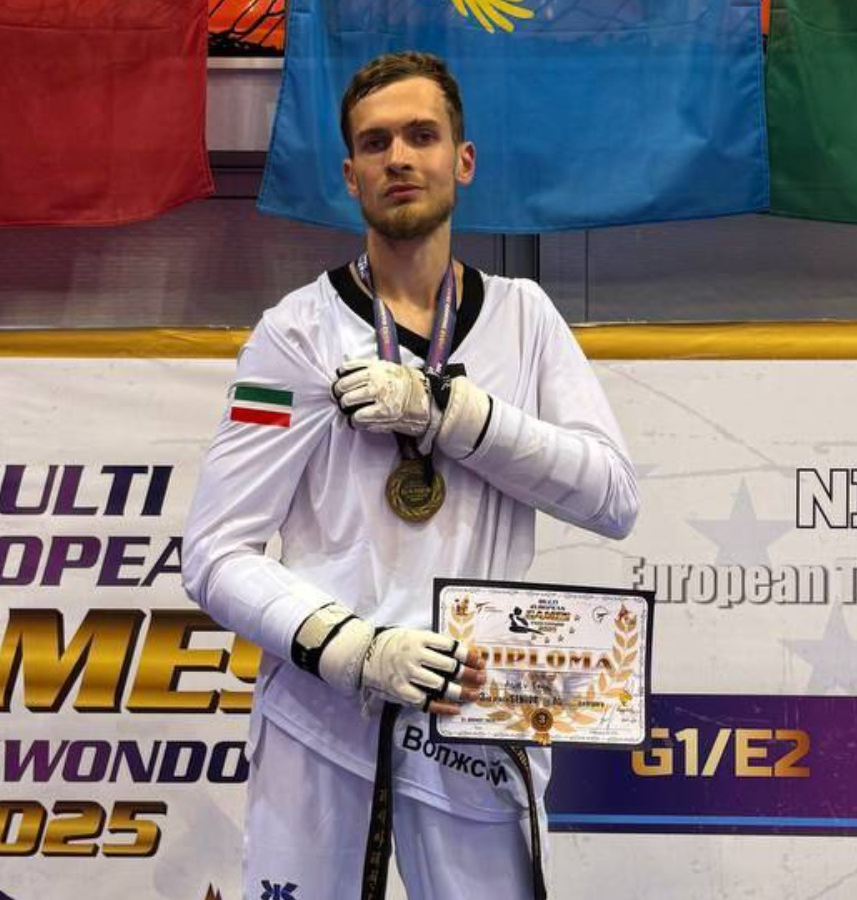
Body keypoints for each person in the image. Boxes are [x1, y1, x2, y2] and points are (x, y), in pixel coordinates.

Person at [182, 51, 638, 900]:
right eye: (376, 142)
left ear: (462, 160)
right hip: (324, 714)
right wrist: (352, 649)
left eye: (422, 136)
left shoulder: (525, 318)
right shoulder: (295, 334)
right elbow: (213, 553)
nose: (399, 157)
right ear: (349, 175)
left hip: (476, 709)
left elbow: (613, 497)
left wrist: (452, 414)